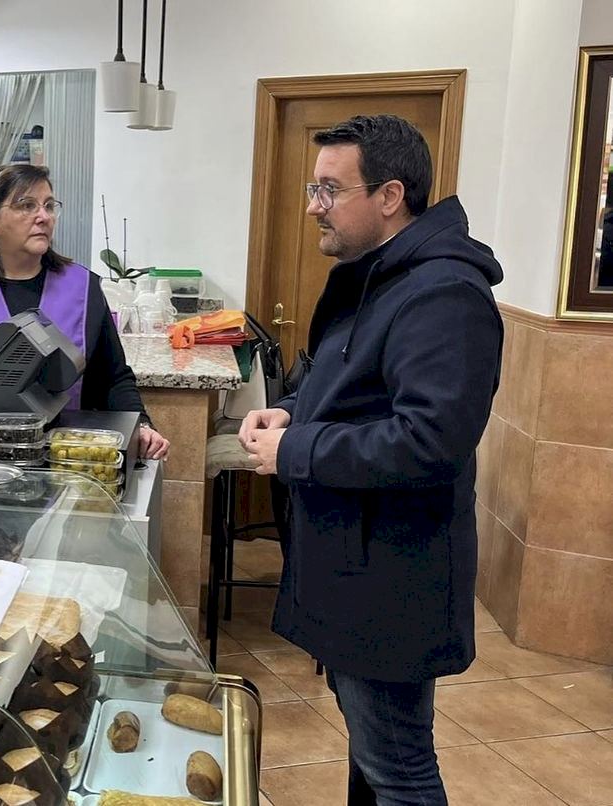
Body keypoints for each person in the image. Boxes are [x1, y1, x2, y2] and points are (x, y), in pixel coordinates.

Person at [240, 115, 503, 805]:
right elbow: (360, 390)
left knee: (400, 772)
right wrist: (293, 411)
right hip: (356, 564)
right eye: (313, 188)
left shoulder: (443, 293)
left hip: (392, 576)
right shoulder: (381, 277)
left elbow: (428, 440)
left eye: (330, 189)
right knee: (374, 755)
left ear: (390, 196)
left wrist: (296, 449)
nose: (313, 207)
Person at [0, 163, 169, 459]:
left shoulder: (83, 288)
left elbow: (113, 377)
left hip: (64, 463)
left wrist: (141, 425)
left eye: (49, 206)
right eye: (27, 205)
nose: (43, 217)